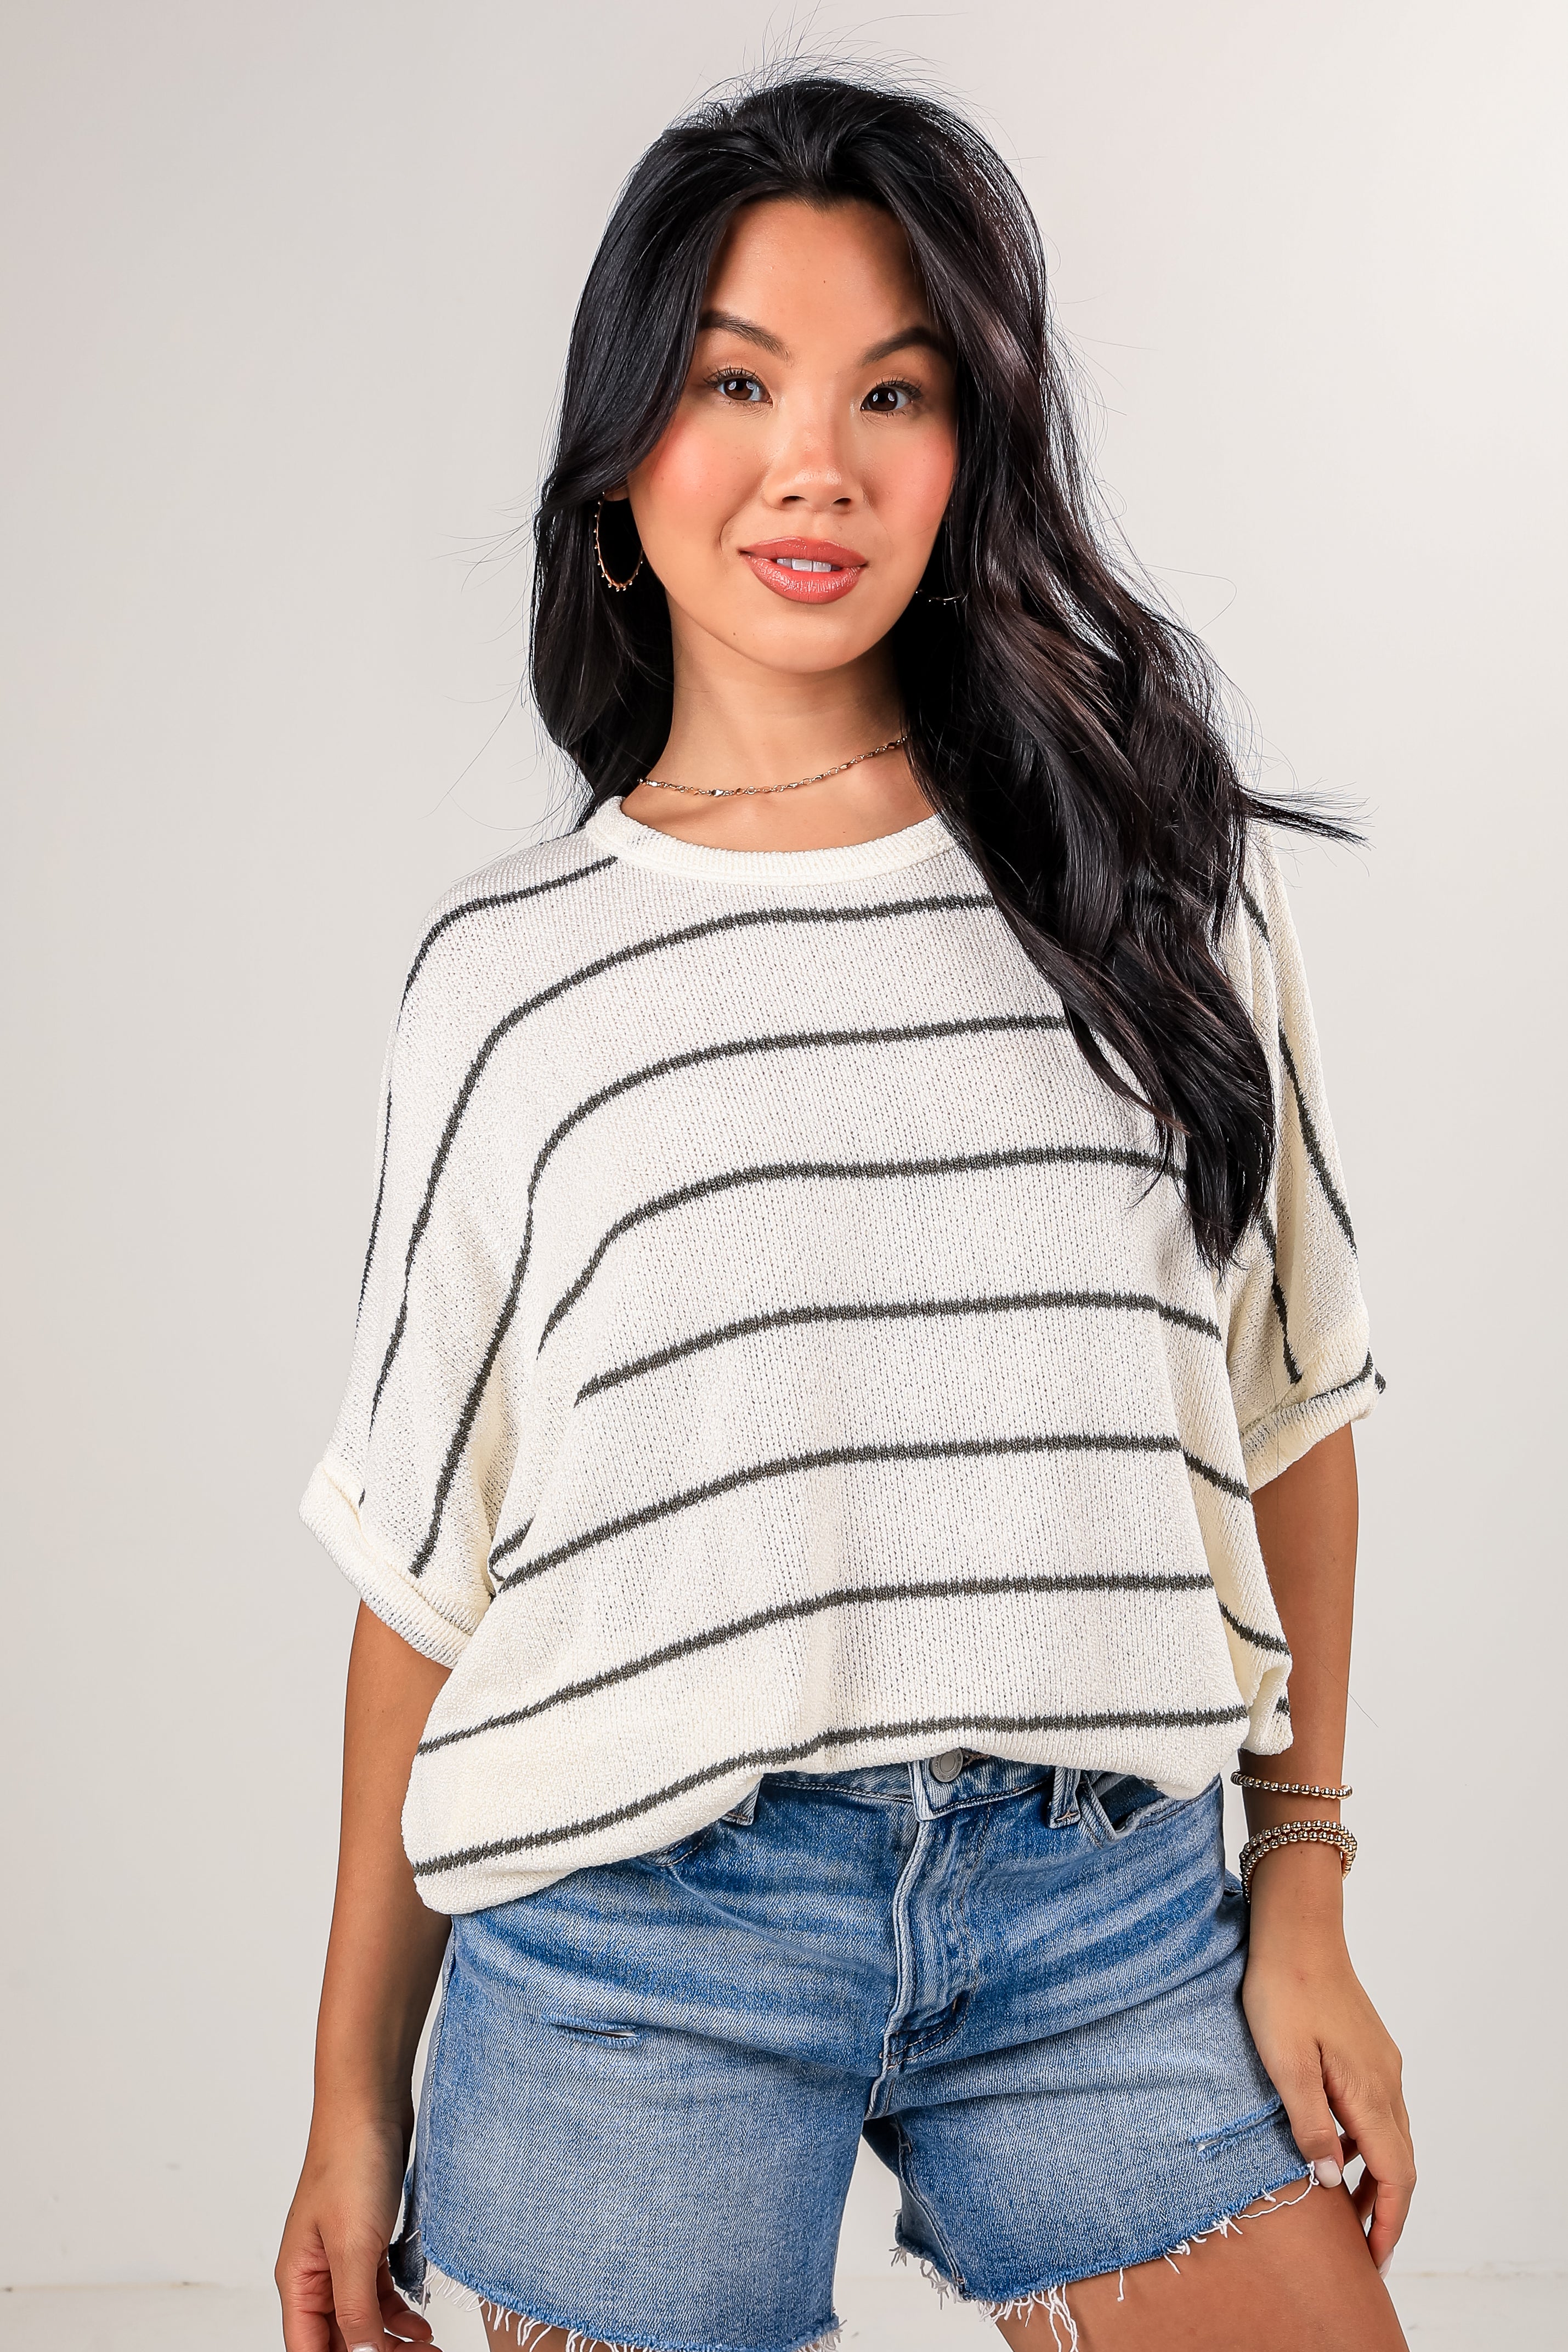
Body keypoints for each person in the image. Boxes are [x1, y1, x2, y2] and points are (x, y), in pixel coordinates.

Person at [276, 70, 1414, 2352]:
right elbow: (433, 1566)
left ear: (975, 448)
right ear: (625, 460)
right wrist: (345, 2098)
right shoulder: (511, 985)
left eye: (897, 391)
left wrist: (1302, 1884)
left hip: (1095, 1912)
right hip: (638, 1939)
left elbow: (1289, 1416)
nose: (817, 461)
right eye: (735, 381)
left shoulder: (1160, 882)